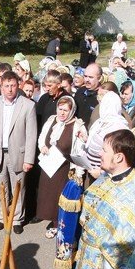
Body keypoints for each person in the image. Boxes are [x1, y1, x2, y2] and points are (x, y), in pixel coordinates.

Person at [72, 129, 135, 269]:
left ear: (119, 157)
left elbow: (126, 244)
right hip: (86, 256)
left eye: (104, 150)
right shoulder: (105, 178)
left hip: (107, 267)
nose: (99, 154)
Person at [0, 71, 37, 232]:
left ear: (18, 86)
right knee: (1, 187)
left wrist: (29, 159)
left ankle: (17, 219)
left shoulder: (28, 105)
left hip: (18, 154)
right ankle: (3, 217)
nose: (9, 89)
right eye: (6, 86)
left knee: (18, 188)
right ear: (1, 87)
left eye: (13, 86)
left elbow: (31, 135)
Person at [35, 95, 86, 237]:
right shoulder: (51, 120)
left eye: (65, 110)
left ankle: (61, 225)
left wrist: (78, 173)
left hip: (65, 170)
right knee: (49, 197)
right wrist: (42, 146)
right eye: (60, 109)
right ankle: (54, 223)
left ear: (72, 111)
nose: (62, 113)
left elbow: (80, 151)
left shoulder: (77, 126)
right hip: (49, 167)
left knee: (61, 198)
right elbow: (42, 137)